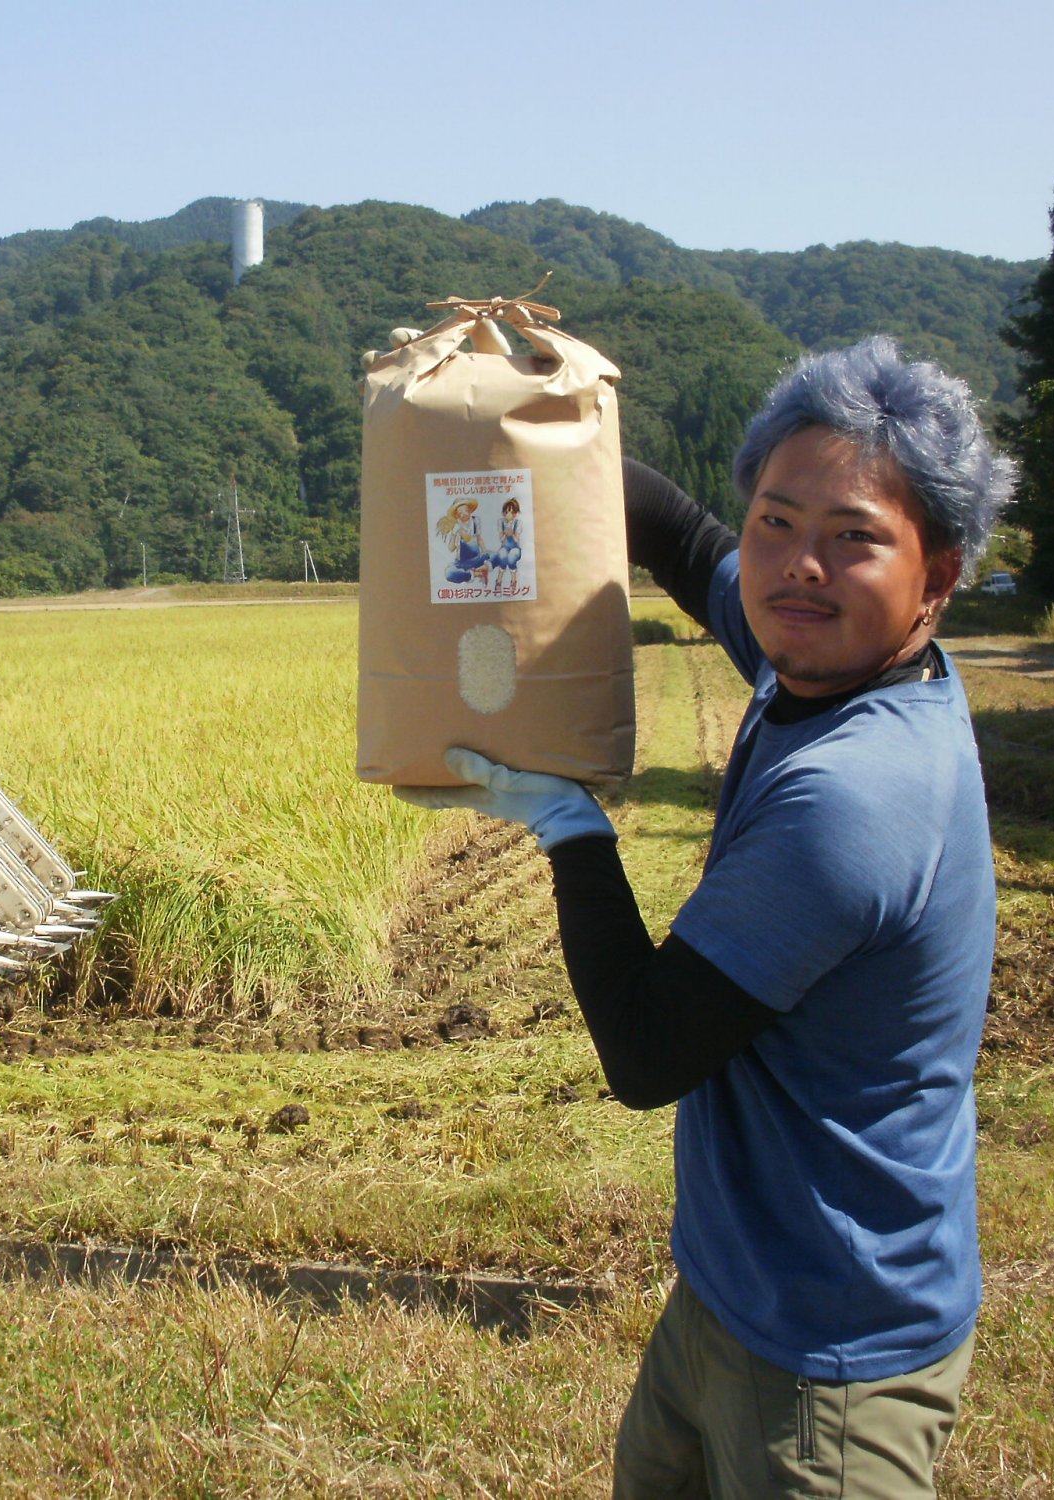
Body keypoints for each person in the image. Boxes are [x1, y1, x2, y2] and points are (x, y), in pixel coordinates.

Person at [401, 336, 1015, 1497]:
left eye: (854, 538)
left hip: (831, 1357)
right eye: (777, 521)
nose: (797, 567)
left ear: (935, 577)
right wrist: (521, 419)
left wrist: (567, 826)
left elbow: (644, 1054)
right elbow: (681, 538)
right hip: (734, 1289)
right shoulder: (818, 660)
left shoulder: (852, 801)